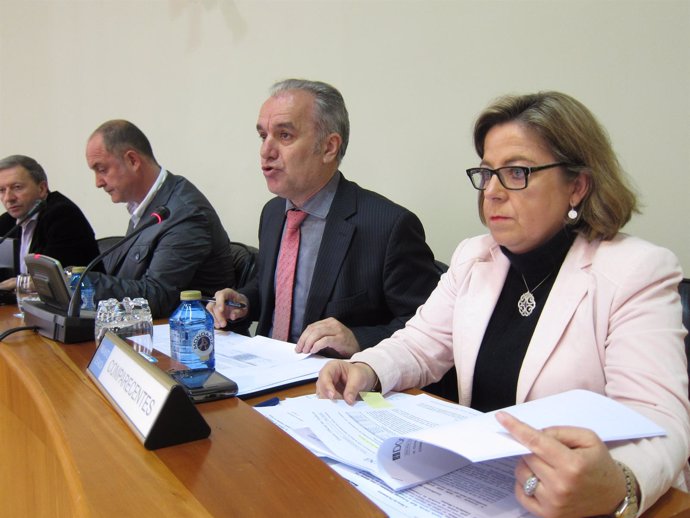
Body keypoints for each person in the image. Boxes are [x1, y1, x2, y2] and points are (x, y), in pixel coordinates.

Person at [316, 91, 690, 516]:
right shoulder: (475, 257)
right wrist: (366, 367)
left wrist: (617, 485)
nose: (491, 192)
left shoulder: (636, 270)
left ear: (577, 186)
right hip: (478, 492)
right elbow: (421, 344)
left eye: (516, 172)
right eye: (487, 173)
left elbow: (659, 420)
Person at [210, 79, 440, 358]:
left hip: (332, 387)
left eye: (284, 136)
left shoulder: (388, 227)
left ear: (329, 147)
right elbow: (276, 286)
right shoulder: (273, 213)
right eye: (263, 136)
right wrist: (244, 301)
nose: (266, 151)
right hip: (262, 372)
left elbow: (430, 330)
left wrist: (358, 339)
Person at [85, 120, 235, 318]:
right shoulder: (146, 207)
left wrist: (85, 283)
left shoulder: (184, 213)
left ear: (132, 160)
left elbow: (158, 298)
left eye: (102, 169)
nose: (98, 182)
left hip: (196, 340)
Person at [0, 154, 100, 290]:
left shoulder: (62, 215)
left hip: (82, 305)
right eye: (2, 190)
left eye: (17, 187)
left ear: (41, 189)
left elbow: (52, 280)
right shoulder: (6, 223)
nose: (8, 198)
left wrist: (17, 283)